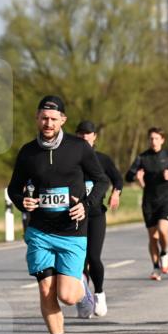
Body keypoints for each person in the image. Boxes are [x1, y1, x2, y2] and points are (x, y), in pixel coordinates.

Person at [7, 95, 108, 334]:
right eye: (43, 117)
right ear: (37, 119)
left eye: (53, 118)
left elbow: (101, 180)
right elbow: (14, 188)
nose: (48, 123)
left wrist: (87, 206)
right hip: (40, 230)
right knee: (45, 289)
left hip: (72, 232)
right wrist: (22, 202)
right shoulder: (28, 152)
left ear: (62, 119)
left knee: (68, 296)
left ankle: (84, 292)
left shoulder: (78, 148)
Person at [74, 120, 122, 318]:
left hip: (95, 215)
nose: (85, 137)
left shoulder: (102, 159)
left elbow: (117, 178)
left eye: (88, 133)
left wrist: (116, 193)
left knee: (93, 257)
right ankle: (84, 298)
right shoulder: (71, 158)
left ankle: (99, 293)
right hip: (75, 215)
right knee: (79, 261)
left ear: (94, 137)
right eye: (81, 133)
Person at [126, 126, 168, 282]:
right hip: (148, 202)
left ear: (162, 140)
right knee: (153, 237)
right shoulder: (142, 158)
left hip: (165, 200)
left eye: (156, 138)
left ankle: (164, 253)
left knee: (163, 230)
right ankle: (156, 267)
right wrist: (136, 176)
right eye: (151, 138)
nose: (153, 141)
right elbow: (128, 176)